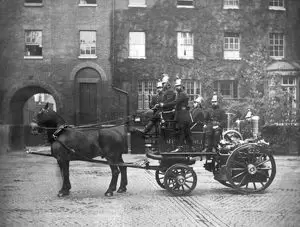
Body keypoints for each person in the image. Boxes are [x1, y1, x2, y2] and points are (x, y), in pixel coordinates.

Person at [159, 77, 193, 152]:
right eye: (176, 86)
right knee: (187, 132)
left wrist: (164, 105)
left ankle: (180, 147)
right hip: (184, 115)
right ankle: (191, 148)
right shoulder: (181, 94)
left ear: (182, 86)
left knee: (181, 131)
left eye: (179, 86)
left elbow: (175, 102)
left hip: (182, 116)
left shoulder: (182, 94)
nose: (177, 87)